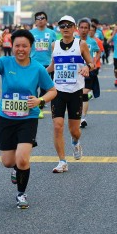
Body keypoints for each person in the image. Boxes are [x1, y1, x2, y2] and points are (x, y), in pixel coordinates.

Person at [0, 29, 56, 209]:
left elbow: (52, 91)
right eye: (17, 46)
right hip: (6, 117)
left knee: (22, 159)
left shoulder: (37, 68)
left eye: (25, 46)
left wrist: (40, 100)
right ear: (12, 46)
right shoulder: (5, 62)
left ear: (31, 47)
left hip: (28, 118)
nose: (21, 49)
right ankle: (16, 170)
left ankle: (21, 193)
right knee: (8, 162)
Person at [48, 16, 94, 173]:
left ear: (74, 27)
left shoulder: (81, 44)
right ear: (59, 28)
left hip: (75, 92)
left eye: (68, 25)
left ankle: (75, 142)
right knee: (57, 126)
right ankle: (62, 161)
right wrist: (38, 73)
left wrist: (87, 67)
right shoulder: (54, 45)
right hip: (57, 91)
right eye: (62, 26)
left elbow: (91, 62)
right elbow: (53, 65)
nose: (65, 28)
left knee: (74, 130)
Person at [29, 11, 57, 119]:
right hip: (33, 63)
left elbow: (55, 48)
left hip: (47, 64)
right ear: (35, 21)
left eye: (43, 18)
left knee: (44, 88)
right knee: (33, 86)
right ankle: (35, 108)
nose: (40, 20)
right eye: (38, 18)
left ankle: (40, 108)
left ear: (46, 20)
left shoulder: (52, 33)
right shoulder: (30, 33)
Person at [78, 18, 101, 129]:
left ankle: (82, 118)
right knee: (77, 95)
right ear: (78, 28)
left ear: (89, 29)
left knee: (84, 94)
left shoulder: (92, 42)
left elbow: (98, 51)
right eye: (81, 27)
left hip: (89, 71)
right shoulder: (74, 41)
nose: (83, 30)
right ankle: (77, 117)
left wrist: (94, 61)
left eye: (86, 28)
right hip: (76, 71)